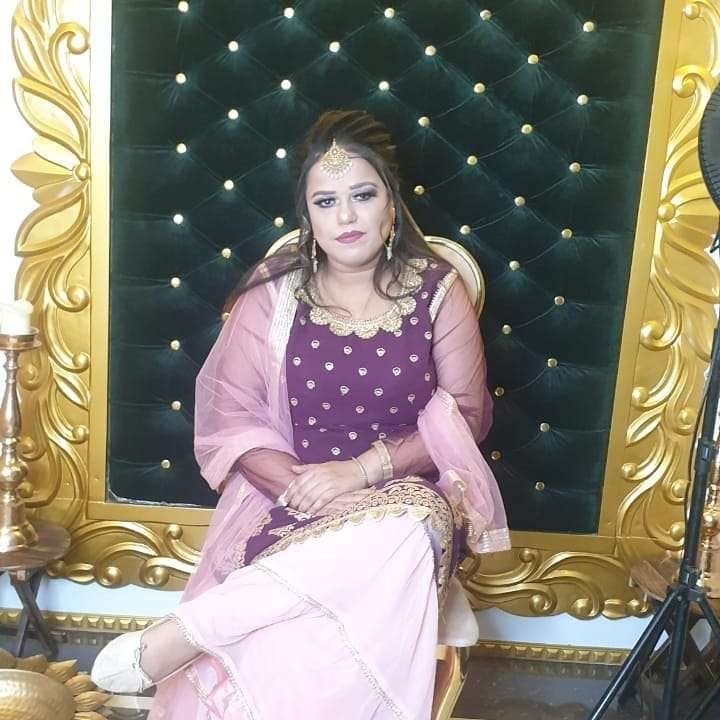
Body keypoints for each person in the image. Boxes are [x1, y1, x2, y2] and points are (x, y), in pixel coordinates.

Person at [91, 110, 510, 720]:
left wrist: (362, 474)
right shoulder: (275, 292)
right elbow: (233, 420)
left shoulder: (438, 291)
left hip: (408, 503)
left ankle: (195, 629)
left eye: (363, 196)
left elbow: (463, 413)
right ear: (307, 215)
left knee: (410, 522)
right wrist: (308, 489)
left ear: (392, 203)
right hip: (293, 498)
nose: (346, 217)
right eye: (326, 201)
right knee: (314, 612)